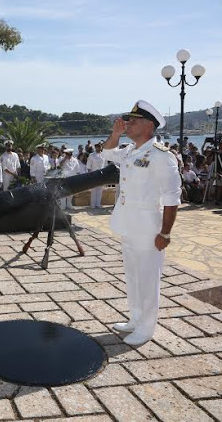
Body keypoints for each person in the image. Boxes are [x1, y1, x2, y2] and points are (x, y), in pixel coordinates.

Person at [103, 100, 181, 346]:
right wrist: (114, 135)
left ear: (148, 126)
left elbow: (172, 198)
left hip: (149, 228)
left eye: (133, 121)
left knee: (148, 278)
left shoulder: (161, 156)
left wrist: (165, 233)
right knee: (133, 276)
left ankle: (146, 328)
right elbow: (106, 152)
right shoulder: (129, 150)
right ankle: (135, 319)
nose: (128, 124)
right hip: (128, 225)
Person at [86, 142, 107, 208]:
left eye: (100, 146)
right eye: (97, 147)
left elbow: (105, 165)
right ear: (95, 147)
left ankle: (98, 204)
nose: (99, 148)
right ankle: (93, 205)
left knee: (100, 190)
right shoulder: (91, 155)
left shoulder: (103, 155)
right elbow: (89, 165)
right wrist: (89, 174)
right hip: (94, 173)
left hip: (101, 174)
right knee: (94, 190)